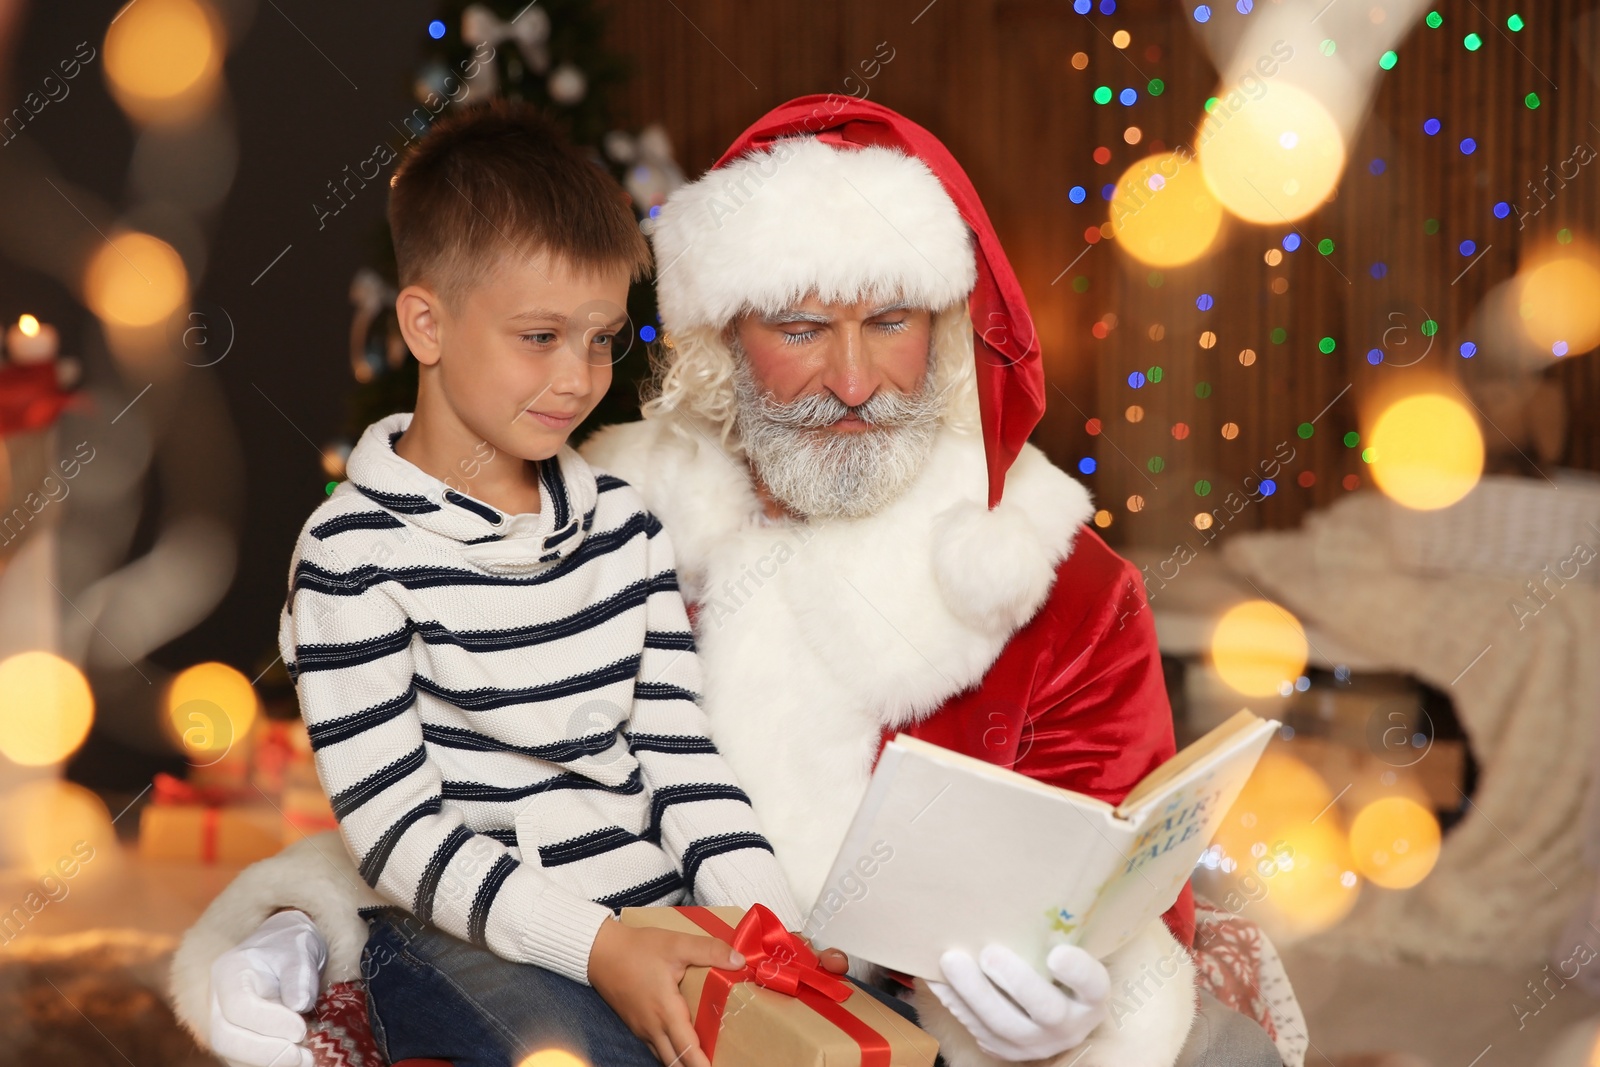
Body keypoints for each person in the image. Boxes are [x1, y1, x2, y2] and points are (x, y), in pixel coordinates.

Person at [171, 97, 1285, 1067]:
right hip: (562, 936)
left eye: (890, 320)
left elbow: (680, 758)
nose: (851, 381)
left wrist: (1049, 988)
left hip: (755, 948)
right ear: (722, 339)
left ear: (946, 328)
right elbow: (409, 808)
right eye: (800, 327)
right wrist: (301, 924)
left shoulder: (1054, 582)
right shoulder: (611, 503)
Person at [234, 99, 868, 1067]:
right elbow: (398, 830)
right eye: (539, 336)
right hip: (460, 932)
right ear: (426, 323)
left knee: (832, 1027)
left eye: (602, 336)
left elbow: (681, 764)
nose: (579, 376)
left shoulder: (623, 526)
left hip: (649, 906)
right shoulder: (350, 553)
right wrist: (599, 945)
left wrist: (768, 926)